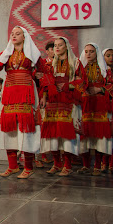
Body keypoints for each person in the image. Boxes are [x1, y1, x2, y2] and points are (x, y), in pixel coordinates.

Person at [0, 26, 49, 179]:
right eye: (12, 34)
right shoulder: (6, 53)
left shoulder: (32, 53)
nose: (14, 36)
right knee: (9, 129)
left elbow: (43, 74)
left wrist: (42, 90)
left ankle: (28, 167)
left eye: (18, 34)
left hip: (27, 92)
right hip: (9, 92)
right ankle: (13, 166)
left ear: (24, 36)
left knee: (26, 129)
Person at [40, 37, 85, 176]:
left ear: (66, 47)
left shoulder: (75, 63)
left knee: (66, 134)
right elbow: (45, 83)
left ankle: (68, 165)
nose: (57, 48)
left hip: (68, 101)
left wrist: (68, 85)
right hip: (53, 102)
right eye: (55, 45)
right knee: (52, 133)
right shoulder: (49, 65)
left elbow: (83, 81)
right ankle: (56, 163)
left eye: (60, 45)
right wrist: (44, 96)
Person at [78, 43, 113, 175]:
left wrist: (100, 89)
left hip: (100, 104)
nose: (88, 54)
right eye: (86, 51)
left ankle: (97, 166)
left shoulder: (105, 69)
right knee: (85, 135)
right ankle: (86, 165)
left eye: (92, 51)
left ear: (97, 53)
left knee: (99, 135)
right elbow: (75, 83)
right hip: (85, 104)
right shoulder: (80, 69)